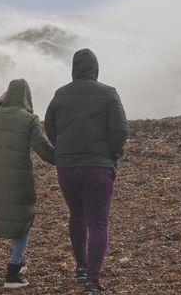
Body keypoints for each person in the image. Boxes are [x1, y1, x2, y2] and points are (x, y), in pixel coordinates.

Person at [44, 49, 128, 294]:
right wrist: (113, 154)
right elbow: (120, 130)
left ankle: (81, 267)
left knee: (77, 216)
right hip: (98, 166)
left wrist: (63, 149)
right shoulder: (108, 93)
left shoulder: (60, 94)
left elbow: (49, 126)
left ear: (74, 68)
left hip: (67, 167)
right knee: (98, 223)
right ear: (95, 68)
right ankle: (92, 280)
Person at [0, 78, 56, 289]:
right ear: (28, 96)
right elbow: (45, 152)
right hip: (20, 180)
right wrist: (69, 155)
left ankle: (19, 262)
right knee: (24, 223)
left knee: (12, 217)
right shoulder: (30, 119)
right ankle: (13, 271)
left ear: (9, 95)